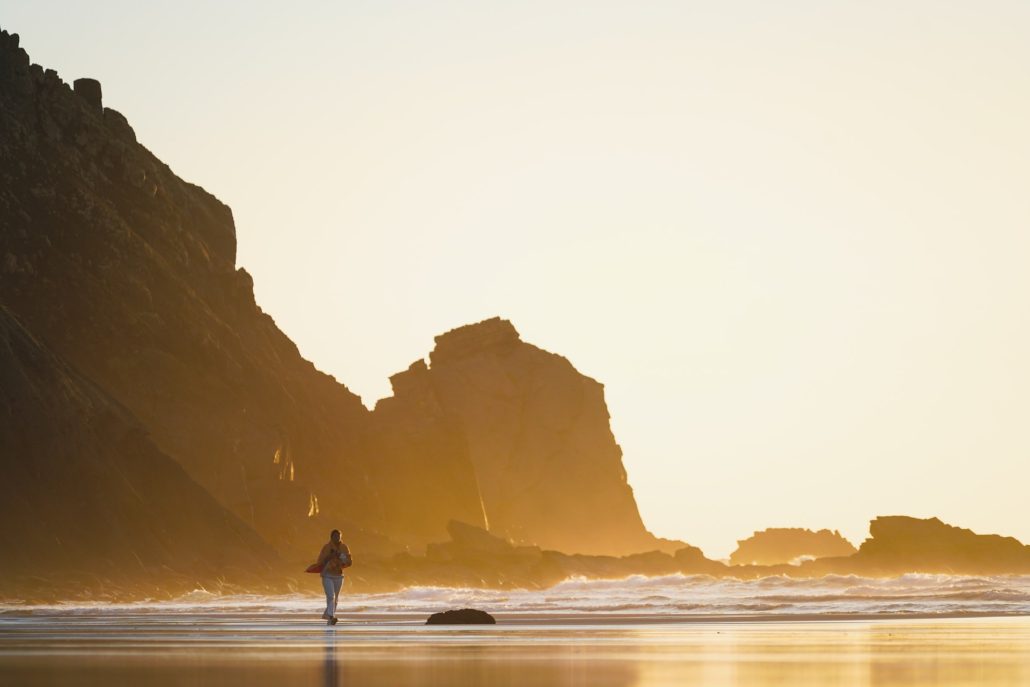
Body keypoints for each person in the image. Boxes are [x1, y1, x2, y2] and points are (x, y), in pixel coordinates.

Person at [316, 529, 352, 625]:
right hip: (327, 574)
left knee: (336, 598)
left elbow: (349, 561)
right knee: (330, 596)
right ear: (331, 537)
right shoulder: (326, 547)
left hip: (339, 575)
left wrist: (341, 556)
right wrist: (330, 556)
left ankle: (327, 615)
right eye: (335, 536)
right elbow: (320, 561)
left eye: (339, 536)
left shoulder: (344, 547)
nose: (337, 538)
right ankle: (331, 616)